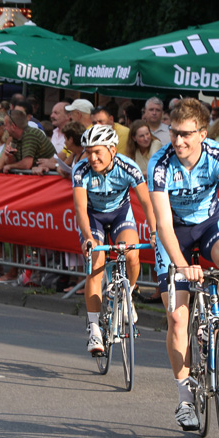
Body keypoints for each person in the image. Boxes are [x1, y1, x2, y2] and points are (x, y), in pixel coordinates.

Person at [148, 98, 219, 431]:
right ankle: (185, 398)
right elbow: (161, 223)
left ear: (203, 133)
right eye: (175, 133)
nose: (178, 141)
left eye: (187, 134)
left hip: (208, 224)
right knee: (177, 320)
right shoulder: (159, 163)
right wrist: (181, 265)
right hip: (174, 232)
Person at [72, 125, 156, 354]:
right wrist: (88, 238)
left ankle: (128, 294)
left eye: (98, 151)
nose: (92, 157)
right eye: (88, 152)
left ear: (112, 149)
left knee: (132, 254)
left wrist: (154, 230)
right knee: (96, 264)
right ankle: (94, 329)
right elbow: (80, 209)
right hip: (93, 217)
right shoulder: (80, 170)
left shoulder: (128, 166)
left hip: (120, 215)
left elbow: (146, 202)